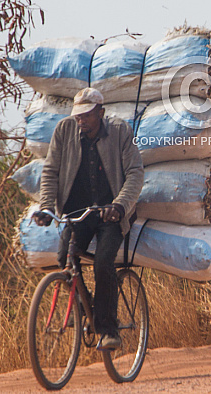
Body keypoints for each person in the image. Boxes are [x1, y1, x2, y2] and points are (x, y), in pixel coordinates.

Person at [32, 87, 144, 350]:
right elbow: (50, 172)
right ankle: (84, 306)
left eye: (86, 116)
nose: (80, 121)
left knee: (103, 262)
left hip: (110, 214)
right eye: (77, 116)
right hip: (77, 213)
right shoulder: (64, 130)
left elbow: (136, 174)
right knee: (64, 257)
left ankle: (108, 329)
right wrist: (47, 207)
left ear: (101, 113)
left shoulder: (119, 131)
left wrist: (119, 205)